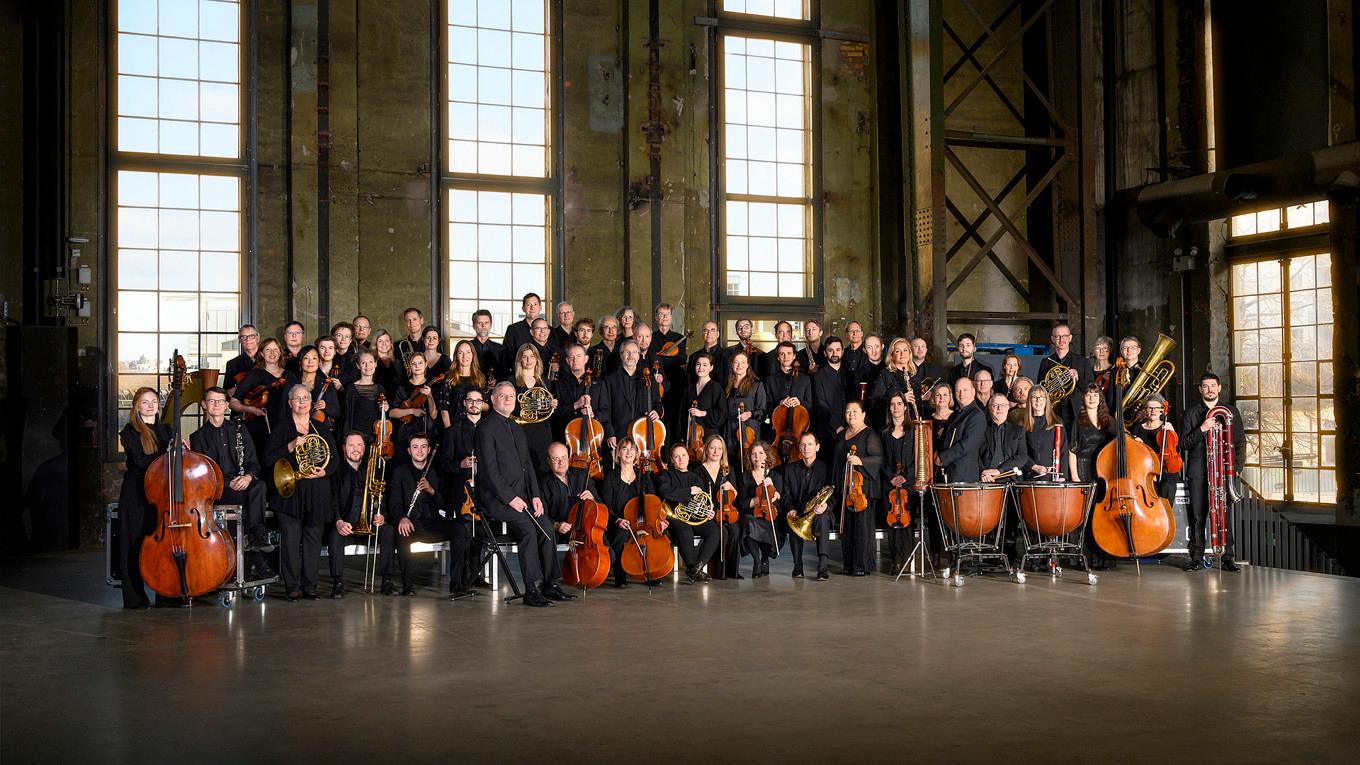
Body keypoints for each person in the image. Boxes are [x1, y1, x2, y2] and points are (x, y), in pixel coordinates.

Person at [475, 382, 572, 607]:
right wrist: (510, 498)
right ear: (493, 399)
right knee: (529, 530)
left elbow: (527, 466)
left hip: (524, 499)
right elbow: (489, 472)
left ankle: (550, 584)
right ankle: (531, 589)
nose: (508, 400)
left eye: (511, 396)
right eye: (503, 396)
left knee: (546, 526)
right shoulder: (485, 428)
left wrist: (535, 496)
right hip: (497, 500)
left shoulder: (517, 427)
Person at [190, 386, 273, 580]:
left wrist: (248, 477)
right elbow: (204, 473)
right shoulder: (197, 438)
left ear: (227, 405)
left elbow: (253, 461)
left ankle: (256, 538)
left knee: (259, 485)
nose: (217, 405)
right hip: (220, 489)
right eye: (211, 401)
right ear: (204, 405)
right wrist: (229, 483)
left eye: (220, 401)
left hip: (244, 484)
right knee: (251, 497)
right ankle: (257, 559)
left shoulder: (240, 429)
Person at [265, 384, 338, 601]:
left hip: (316, 490)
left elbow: (335, 459)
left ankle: (310, 585)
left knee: (313, 539)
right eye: (297, 399)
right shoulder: (281, 428)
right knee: (290, 540)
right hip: (289, 493)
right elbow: (268, 459)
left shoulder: (321, 428)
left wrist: (323, 471)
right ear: (290, 404)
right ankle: (292, 586)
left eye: (305, 398)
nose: (302, 402)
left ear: (311, 402)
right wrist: (289, 446)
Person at [378, 433, 466, 597]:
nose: (419, 451)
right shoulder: (399, 472)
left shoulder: (437, 472)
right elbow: (394, 503)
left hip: (432, 523)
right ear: (409, 451)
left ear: (429, 449)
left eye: (423, 447)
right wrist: (401, 518)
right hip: (410, 522)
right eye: (415, 447)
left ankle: (457, 583)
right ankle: (408, 585)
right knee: (402, 533)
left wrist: (432, 491)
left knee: (459, 529)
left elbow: (446, 504)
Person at [1179, 372, 1245, 572]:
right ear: (1200, 389)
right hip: (1199, 472)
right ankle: (1196, 557)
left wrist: (1236, 470)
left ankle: (1227, 558)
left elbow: (1240, 443)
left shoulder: (1231, 411)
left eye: (1212, 386)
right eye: (1205, 386)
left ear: (1219, 388)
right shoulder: (1191, 413)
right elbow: (1183, 443)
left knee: (1224, 515)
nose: (1209, 389)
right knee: (1198, 517)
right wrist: (1202, 429)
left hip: (1224, 472)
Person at [117, 388, 175, 608]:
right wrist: (169, 452)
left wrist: (181, 451)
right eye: (145, 402)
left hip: (161, 493)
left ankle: (166, 593)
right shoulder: (129, 431)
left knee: (162, 545)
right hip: (136, 493)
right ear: (137, 407)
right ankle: (135, 598)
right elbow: (141, 461)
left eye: (154, 401)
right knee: (133, 544)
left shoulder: (167, 431)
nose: (151, 406)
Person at [439, 388, 488, 595]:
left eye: (478, 401)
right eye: (470, 400)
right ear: (464, 404)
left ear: (483, 404)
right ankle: (457, 581)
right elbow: (444, 464)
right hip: (462, 493)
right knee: (464, 536)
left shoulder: (489, 429)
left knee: (481, 535)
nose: (474, 404)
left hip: (485, 491)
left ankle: (475, 576)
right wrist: (461, 463)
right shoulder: (453, 431)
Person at [1067, 383, 1117, 569]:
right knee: (1085, 516)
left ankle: (1103, 557)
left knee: (1102, 515)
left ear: (1100, 399)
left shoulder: (1108, 421)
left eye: (1095, 394)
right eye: (1088, 394)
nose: (1091, 398)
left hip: (1103, 471)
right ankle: (1084, 558)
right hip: (1083, 468)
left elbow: (1121, 437)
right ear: (1083, 399)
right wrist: (1075, 476)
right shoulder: (1077, 421)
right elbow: (1072, 450)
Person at [599, 438, 659, 588]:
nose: (629, 452)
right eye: (625, 449)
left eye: (632, 449)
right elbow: (606, 506)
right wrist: (618, 520)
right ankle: (620, 574)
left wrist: (659, 519)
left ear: (637, 454)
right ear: (618, 453)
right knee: (621, 534)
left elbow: (653, 501)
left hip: (641, 521)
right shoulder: (611, 478)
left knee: (654, 535)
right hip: (619, 522)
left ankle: (649, 572)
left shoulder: (643, 476)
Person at [655, 443, 718, 583]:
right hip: (675, 517)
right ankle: (691, 567)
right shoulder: (666, 475)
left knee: (715, 530)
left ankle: (697, 567)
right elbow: (666, 492)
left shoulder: (695, 477)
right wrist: (689, 491)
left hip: (694, 517)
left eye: (683, 455)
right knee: (684, 530)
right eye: (676, 456)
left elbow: (702, 501)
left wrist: (707, 512)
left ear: (688, 458)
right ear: (672, 460)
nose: (680, 459)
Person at [833, 401, 882, 576]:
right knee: (848, 528)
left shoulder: (870, 435)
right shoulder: (841, 435)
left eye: (855, 411)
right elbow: (836, 462)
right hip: (847, 489)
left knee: (862, 528)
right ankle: (849, 564)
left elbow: (878, 459)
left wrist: (860, 461)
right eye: (848, 411)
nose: (851, 414)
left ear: (863, 414)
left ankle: (862, 566)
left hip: (864, 489)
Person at [229, 337, 296, 457]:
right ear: (261, 354)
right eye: (268, 349)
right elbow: (233, 402)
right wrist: (250, 409)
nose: (272, 353)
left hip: (284, 426)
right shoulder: (254, 375)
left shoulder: (290, 376)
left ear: (280, 353)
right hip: (260, 426)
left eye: (275, 349)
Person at [597, 339, 663, 458]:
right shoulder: (609, 379)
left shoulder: (649, 378)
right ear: (621, 355)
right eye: (627, 352)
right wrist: (610, 433)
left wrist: (657, 412)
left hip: (642, 434)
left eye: (634, 352)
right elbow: (604, 408)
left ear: (638, 356)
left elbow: (657, 403)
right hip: (618, 434)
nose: (630, 356)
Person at [780, 432, 833, 579]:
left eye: (810, 444)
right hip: (797, 510)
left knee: (823, 519)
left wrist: (826, 506)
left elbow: (833, 494)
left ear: (817, 447)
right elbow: (786, 495)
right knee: (793, 522)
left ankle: (822, 568)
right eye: (803, 444)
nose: (806, 448)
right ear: (799, 448)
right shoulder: (789, 469)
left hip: (818, 512)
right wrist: (790, 509)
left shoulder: (826, 468)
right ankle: (797, 567)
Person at [327, 431, 370, 598]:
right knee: (335, 536)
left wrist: (381, 515)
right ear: (344, 448)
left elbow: (381, 498)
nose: (356, 449)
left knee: (387, 531)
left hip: (368, 525)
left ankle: (387, 580)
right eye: (352, 445)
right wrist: (338, 521)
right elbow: (332, 500)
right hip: (346, 525)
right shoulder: (336, 471)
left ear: (364, 448)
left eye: (359, 445)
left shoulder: (371, 469)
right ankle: (337, 583)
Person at [694, 434, 743, 579]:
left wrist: (732, 488)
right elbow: (697, 497)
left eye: (719, 448)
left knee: (735, 530)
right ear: (706, 450)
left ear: (723, 451)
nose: (716, 451)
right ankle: (718, 572)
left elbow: (735, 495)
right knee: (723, 532)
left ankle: (732, 571)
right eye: (712, 447)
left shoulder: (728, 470)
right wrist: (705, 511)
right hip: (707, 513)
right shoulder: (698, 470)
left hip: (725, 511)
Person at [880, 392, 917, 573]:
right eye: (893, 404)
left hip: (908, 483)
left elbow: (918, 459)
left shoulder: (913, 431)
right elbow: (881, 460)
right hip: (889, 483)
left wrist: (905, 477)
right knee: (892, 522)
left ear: (905, 407)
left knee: (907, 522)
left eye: (899, 404)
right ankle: (895, 560)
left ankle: (908, 559)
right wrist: (891, 477)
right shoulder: (884, 433)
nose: (896, 408)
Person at [508, 343, 557, 472]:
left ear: (537, 359)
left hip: (542, 432)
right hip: (521, 430)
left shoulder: (545, 382)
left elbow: (547, 409)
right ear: (520, 359)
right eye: (525, 356)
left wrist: (551, 405)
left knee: (542, 469)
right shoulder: (511, 382)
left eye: (532, 356)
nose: (529, 360)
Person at [762, 341, 812, 462]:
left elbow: (810, 405)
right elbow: (765, 406)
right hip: (776, 435)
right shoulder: (769, 380)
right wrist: (779, 403)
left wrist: (800, 402)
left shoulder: (804, 379)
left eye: (789, 353)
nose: (786, 357)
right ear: (778, 357)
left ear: (794, 356)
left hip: (797, 434)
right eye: (782, 354)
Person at [739, 441, 783, 578]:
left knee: (768, 522)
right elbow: (742, 503)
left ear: (766, 456)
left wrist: (772, 489)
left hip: (770, 513)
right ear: (750, 457)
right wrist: (757, 499)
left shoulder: (775, 476)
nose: (757, 457)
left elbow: (778, 498)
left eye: (760, 453)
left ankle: (765, 558)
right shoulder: (744, 477)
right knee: (748, 521)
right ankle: (757, 562)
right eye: (753, 454)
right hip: (751, 514)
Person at [1037, 321, 1093, 425]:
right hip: (1053, 410)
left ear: (1070, 338)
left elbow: (1091, 388)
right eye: (1058, 336)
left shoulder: (1083, 362)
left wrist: (1077, 378)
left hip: (1075, 411)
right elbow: (1041, 388)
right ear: (1053, 339)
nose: (1061, 339)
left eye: (1065, 336)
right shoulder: (1046, 362)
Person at [1130, 393, 1182, 496]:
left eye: (1156, 408)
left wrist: (1172, 433)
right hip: (1144, 471)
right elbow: (1133, 456)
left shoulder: (1167, 428)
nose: (1153, 411)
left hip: (1165, 470)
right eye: (1150, 408)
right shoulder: (1137, 429)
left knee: (1167, 486)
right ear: (1145, 410)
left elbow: (1177, 450)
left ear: (1162, 410)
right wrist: (1135, 442)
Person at [935, 378, 985, 483]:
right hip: (949, 473)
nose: (961, 394)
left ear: (973, 392)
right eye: (958, 390)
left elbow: (966, 445)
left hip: (963, 475)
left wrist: (942, 458)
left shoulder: (977, 415)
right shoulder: (955, 414)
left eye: (965, 390)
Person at [724, 350, 766, 462]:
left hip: (749, 430)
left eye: (743, 362)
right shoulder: (727, 384)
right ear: (732, 364)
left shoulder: (757, 385)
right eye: (736, 362)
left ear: (748, 365)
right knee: (731, 461)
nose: (739, 365)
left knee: (749, 461)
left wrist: (750, 414)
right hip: (730, 430)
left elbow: (763, 412)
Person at [682, 352, 726, 459]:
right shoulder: (689, 388)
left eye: (705, 365)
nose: (701, 367)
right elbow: (681, 413)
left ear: (711, 368)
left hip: (708, 436)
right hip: (690, 437)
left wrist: (703, 413)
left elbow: (722, 414)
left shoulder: (716, 388)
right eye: (698, 364)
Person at [809, 336, 847, 455]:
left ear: (842, 351)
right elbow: (820, 405)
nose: (835, 353)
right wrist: (837, 427)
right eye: (830, 350)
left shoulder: (849, 374)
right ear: (825, 353)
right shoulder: (818, 377)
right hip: (827, 432)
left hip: (849, 429)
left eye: (838, 350)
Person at [1020, 386, 1068, 480]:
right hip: (1029, 475)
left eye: (1042, 397)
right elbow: (1020, 451)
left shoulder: (1057, 422)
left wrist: (1062, 476)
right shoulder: (1022, 424)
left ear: (1047, 400)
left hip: (1052, 476)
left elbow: (1064, 451)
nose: (1038, 400)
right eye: (1034, 397)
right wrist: (1033, 466)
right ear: (1029, 400)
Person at [341, 350, 388, 445]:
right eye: (363, 363)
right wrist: (346, 440)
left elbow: (380, 417)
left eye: (371, 362)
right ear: (358, 366)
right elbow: (346, 418)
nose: (368, 366)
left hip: (376, 438)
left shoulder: (380, 389)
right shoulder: (351, 389)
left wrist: (384, 409)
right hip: (357, 440)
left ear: (375, 364)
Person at [980, 395, 1026, 483]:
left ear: (1008, 407)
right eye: (995, 405)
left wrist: (999, 470)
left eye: (1003, 405)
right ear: (989, 408)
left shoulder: (1018, 430)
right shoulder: (981, 429)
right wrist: (983, 472)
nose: (999, 408)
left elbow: (1022, 456)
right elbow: (974, 454)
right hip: (986, 480)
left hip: (1011, 479)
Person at [470, 308, 505, 384]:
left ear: (490, 325)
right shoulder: (467, 347)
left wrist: (497, 381)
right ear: (473, 325)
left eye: (486, 322)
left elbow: (504, 374)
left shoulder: (501, 349)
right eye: (480, 323)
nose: (483, 326)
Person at [688, 320, 727, 388]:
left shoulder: (727, 355)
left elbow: (728, 381)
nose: (709, 333)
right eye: (705, 330)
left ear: (718, 334)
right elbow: (690, 381)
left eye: (712, 330)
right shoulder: (693, 357)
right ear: (702, 334)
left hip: (720, 396)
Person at [224, 324, 261, 394]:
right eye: (243, 337)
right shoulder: (232, 364)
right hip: (241, 403)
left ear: (258, 338)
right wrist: (229, 392)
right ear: (240, 340)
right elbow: (227, 389)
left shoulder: (269, 359)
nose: (248, 339)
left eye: (251, 336)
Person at [1090, 336, 1116, 410]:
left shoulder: (1114, 370)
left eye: (1105, 348)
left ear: (1109, 351)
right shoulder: (1088, 370)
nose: (1101, 352)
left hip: (1110, 409)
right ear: (1094, 351)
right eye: (1098, 348)